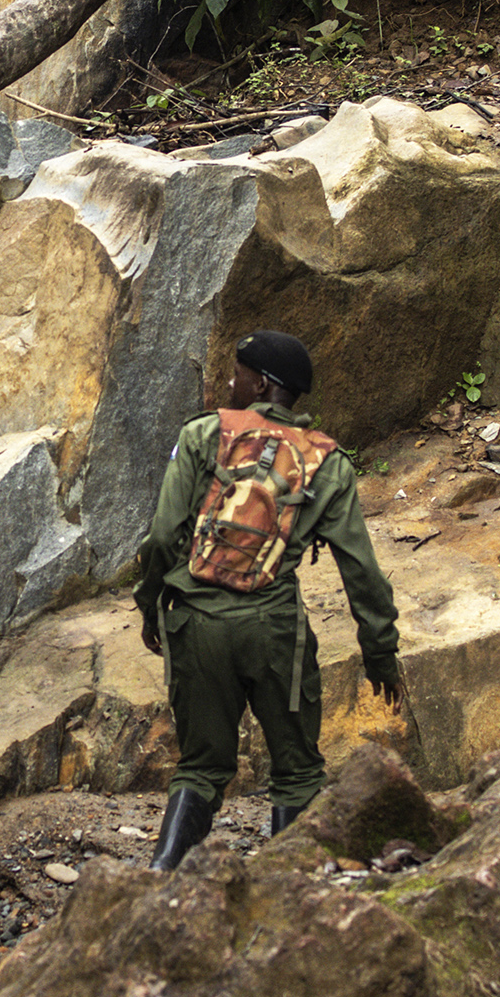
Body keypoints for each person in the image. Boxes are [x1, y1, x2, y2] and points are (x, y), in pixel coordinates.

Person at [134, 329, 403, 870]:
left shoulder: (203, 435)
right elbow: (362, 573)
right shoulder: (329, 462)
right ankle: (289, 888)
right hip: (274, 631)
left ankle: (160, 882)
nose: (231, 382)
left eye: (237, 373)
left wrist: (151, 603)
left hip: (197, 623)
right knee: (297, 771)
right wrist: (380, 651)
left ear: (261, 382)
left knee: (201, 767)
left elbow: (163, 538)